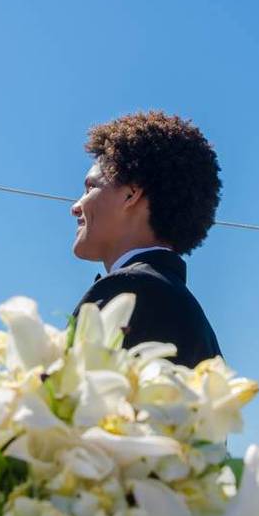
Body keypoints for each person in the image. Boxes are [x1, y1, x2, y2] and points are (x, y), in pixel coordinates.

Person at [70, 110, 223, 367]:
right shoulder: (178, 302)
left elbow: (79, 402)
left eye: (90, 188)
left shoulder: (130, 290)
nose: (75, 206)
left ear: (130, 194)